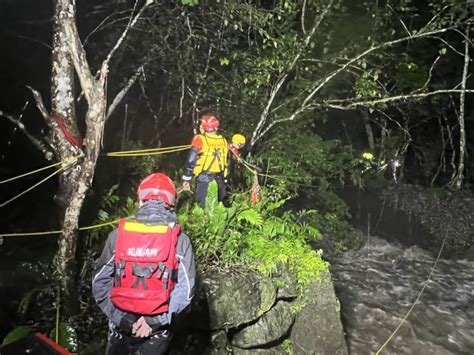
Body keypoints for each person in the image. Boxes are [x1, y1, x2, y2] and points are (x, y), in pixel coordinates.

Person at [92, 173, 196, 355]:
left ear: (140, 201)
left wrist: (122, 320)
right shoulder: (179, 239)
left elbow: (99, 282)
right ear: (171, 203)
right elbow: (186, 291)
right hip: (157, 328)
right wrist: (154, 321)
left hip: (121, 324)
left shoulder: (118, 235)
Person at [182, 114, 229, 207]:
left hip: (204, 178)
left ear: (202, 127)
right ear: (216, 127)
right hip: (220, 178)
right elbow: (228, 160)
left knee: (201, 207)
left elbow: (191, 159)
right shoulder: (223, 141)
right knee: (220, 207)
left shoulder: (200, 139)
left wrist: (186, 178)